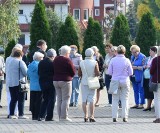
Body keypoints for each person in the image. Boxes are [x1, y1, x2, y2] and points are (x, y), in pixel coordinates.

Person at [108, 45, 133, 122]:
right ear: (124, 52)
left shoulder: (113, 60)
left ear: (116, 51)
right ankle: (125, 116)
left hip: (115, 80)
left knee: (115, 99)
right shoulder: (127, 60)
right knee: (125, 99)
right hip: (125, 81)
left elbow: (109, 72)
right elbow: (131, 73)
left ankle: (114, 117)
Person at [53, 45, 75, 122]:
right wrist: (71, 76)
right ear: (66, 53)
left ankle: (60, 116)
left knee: (59, 99)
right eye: (69, 53)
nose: (69, 54)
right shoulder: (67, 60)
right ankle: (64, 117)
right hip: (65, 80)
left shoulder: (55, 59)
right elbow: (72, 71)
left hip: (56, 80)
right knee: (66, 99)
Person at [78, 48, 100, 122]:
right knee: (92, 99)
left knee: (84, 99)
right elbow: (97, 73)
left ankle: (85, 115)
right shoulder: (95, 62)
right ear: (92, 54)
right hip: (92, 82)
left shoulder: (82, 62)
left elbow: (79, 74)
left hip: (84, 82)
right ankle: (92, 116)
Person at [6, 50, 28, 119]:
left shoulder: (9, 62)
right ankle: (21, 114)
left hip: (11, 83)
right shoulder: (20, 62)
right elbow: (25, 72)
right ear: (21, 55)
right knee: (21, 99)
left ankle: (11, 114)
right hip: (20, 83)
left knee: (13, 99)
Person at [38, 49, 57, 121]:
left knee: (45, 99)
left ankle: (41, 115)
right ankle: (49, 116)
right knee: (52, 100)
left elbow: (39, 72)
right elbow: (54, 72)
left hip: (42, 82)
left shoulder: (41, 62)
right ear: (53, 56)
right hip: (51, 83)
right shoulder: (52, 63)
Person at [27, 52, 44, 120]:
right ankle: (37, 115)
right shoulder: (39, 65)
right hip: (39, 85)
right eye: (42, 58)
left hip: (32, 86)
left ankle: (33, 115)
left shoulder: (30, 65)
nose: (43, 59)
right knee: (39, 101)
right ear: (39, 58)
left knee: (33, 101)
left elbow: (27, 74)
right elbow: (40, 74)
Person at [130, 44, 146, 109]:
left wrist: (135, 67)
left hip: (140, 76)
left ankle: (141, 104)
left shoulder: (143, 57)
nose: (133, 54)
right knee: (135, 90)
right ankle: (136, 103)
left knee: (141, 90)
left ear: (138, 51)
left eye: (135, 52)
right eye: (132, 52)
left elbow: (144, 67)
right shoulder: (132, 57)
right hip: (133, 76)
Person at [143, 47, 157, 111]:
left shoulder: (156, 59)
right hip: (146, 77)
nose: (150, 52)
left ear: (155, 52)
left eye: (151, 51)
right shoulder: (148, 58)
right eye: (149, 51)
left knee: (152, 92)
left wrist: (149, 67)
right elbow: (144, 65)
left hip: (152, 78)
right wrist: (145, 66)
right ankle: (148, 106)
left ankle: (154, 106)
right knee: (147, 92)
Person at [150, 46, 160, 123]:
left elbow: (151, 71)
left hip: (157, 81)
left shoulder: (155, 60)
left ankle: (158, 117)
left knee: (157, 99)